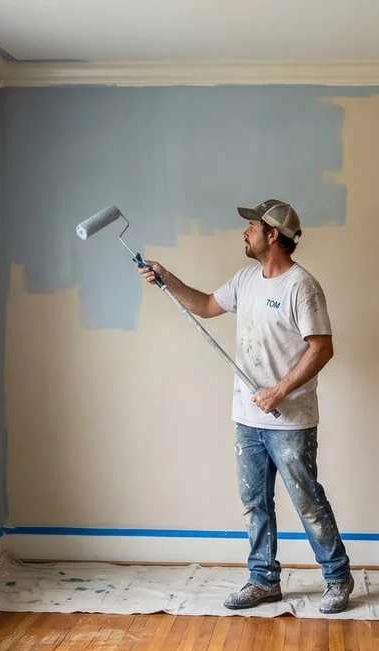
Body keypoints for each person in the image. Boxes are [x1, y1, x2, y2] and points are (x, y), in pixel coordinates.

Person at [136, 199, 355, 613]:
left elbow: (322, 348)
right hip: (247, 418)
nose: (245, 232)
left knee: (307, 499)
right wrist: (167, 279)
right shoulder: (245, 279)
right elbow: (204, 306)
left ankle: (338, 578)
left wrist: (279, 390)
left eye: (252, 226)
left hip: (290, 421)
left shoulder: (301, 287)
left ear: (272, 235)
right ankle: (262, 580)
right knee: (254, 501)